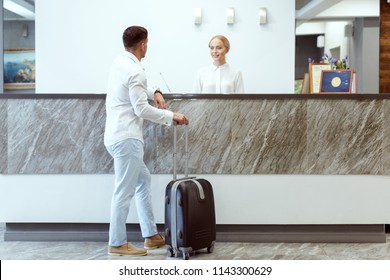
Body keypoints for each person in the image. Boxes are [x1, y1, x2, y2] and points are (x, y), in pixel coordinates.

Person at [104, 26, 188, 256]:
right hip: (127, 138)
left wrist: (156, 91)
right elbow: (140, 109)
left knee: (143, 180)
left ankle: (150, 236)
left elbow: (135, 87)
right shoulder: (135, 71)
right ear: (143, 45)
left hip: (114, 136)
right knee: (123, 192)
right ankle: (117, 243)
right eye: (147, 43)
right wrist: (172, 116)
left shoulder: (120, 63)